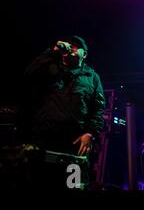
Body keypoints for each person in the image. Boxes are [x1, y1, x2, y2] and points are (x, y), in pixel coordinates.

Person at [17, 35, 105, 188]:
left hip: (74, 147)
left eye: (76, 46)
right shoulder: (49, 69)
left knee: (73, 186)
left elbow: (98, 109)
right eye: (69, 45)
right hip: (44, 143)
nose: (70, 48)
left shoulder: (92, 78)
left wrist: (90, 133)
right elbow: (28, 74)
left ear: (84, 54)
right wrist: (53, 51)